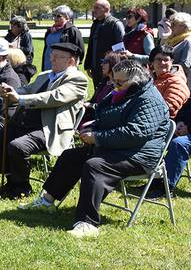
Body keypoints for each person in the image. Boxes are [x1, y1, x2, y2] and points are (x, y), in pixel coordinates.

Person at [19, 60, 170, 239]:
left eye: (119, 82)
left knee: (94, 165)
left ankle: (88, 223)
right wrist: (94, 128)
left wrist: (97, 137)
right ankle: (47, 201)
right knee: (70, 156)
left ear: (136, 81)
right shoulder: (124, 92)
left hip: (140, 156)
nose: (114, 85)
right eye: (113, 81)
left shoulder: (149, 99)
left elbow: (135, 133)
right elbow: (109, 117)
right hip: (118, 149)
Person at [0, 42, 89, 199]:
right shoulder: (45, 75)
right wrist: (10, 91)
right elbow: (27, 89)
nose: (52, 59)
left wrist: (20, 99)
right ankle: (10, 179)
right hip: (25, 123)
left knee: (17, 146)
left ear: (71, 61)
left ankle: (22, 187)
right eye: (51, 56)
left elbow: (53, 97)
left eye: (57, 57)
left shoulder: (78, 79)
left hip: (49, 128)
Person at [86, 0, 125, 89]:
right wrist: (88, 65)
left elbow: (120, 48)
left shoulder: (115, 24)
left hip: (110, 69)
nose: (94, 10)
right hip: (96, 67)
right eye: (94, 7)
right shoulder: (95, 24)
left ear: (106, 9)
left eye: (97, 8)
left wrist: (114, 67)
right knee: (98, 93)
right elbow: (91, 46)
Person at [82, 52, 124, 124]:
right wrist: (85, 103)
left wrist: (92, 106)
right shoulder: (104, 82)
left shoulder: (118, 86)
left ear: (113, 63)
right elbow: (94, 100)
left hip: (102, 119)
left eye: (105, 62)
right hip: (93, 114)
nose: (102, 65)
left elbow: (111, 107)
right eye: (102, 62)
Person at [149, 45, 189, 119]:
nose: (163, 63)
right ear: (152, 62)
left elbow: (167, 108)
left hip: (161, 123)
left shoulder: (177, 82)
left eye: (166, 60)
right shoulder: (149, 78)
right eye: (159, 59)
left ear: (171, 62)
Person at [42, 5, 84, 72]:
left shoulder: (72, 30)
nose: (55, 18)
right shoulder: (50, 31)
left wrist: (73, 64)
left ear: (67, 17)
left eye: (59, 16)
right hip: (48, 64)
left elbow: (80, 51)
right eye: (54, 15)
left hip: (64, 66)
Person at [158, 12, 191, 89]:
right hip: (167, 80)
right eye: (171, 23)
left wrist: (165, 67)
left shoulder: (188, 41)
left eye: (174, 24)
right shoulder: (169, 40)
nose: (171, 26)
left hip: (180, 83)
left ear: (184, 26)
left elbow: (185, 65)